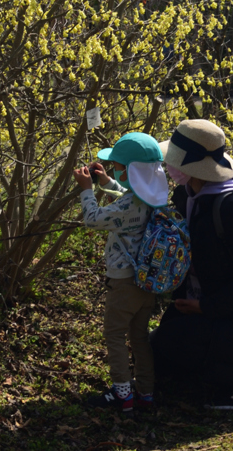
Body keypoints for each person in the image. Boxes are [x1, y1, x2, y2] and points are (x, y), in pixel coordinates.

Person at [151, 119, 233, 410]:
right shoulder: (188, 196)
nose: (169, 170)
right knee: (157, 350)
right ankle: (208, 368)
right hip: (206, 306)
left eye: (173, 163)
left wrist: (206, 307)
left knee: (177, 339)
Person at [72, 132, 169, 413]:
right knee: (139, 336)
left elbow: (94, 219)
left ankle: (122, 395)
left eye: (116, 167)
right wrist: (107, 182)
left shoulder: (129, 204)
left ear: (130, 171)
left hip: (124, 281)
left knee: (114, 334)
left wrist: (86, 189)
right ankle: (146, 392)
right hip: (146, 280)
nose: (113, 169)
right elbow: (129, 198)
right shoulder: (155, 196)